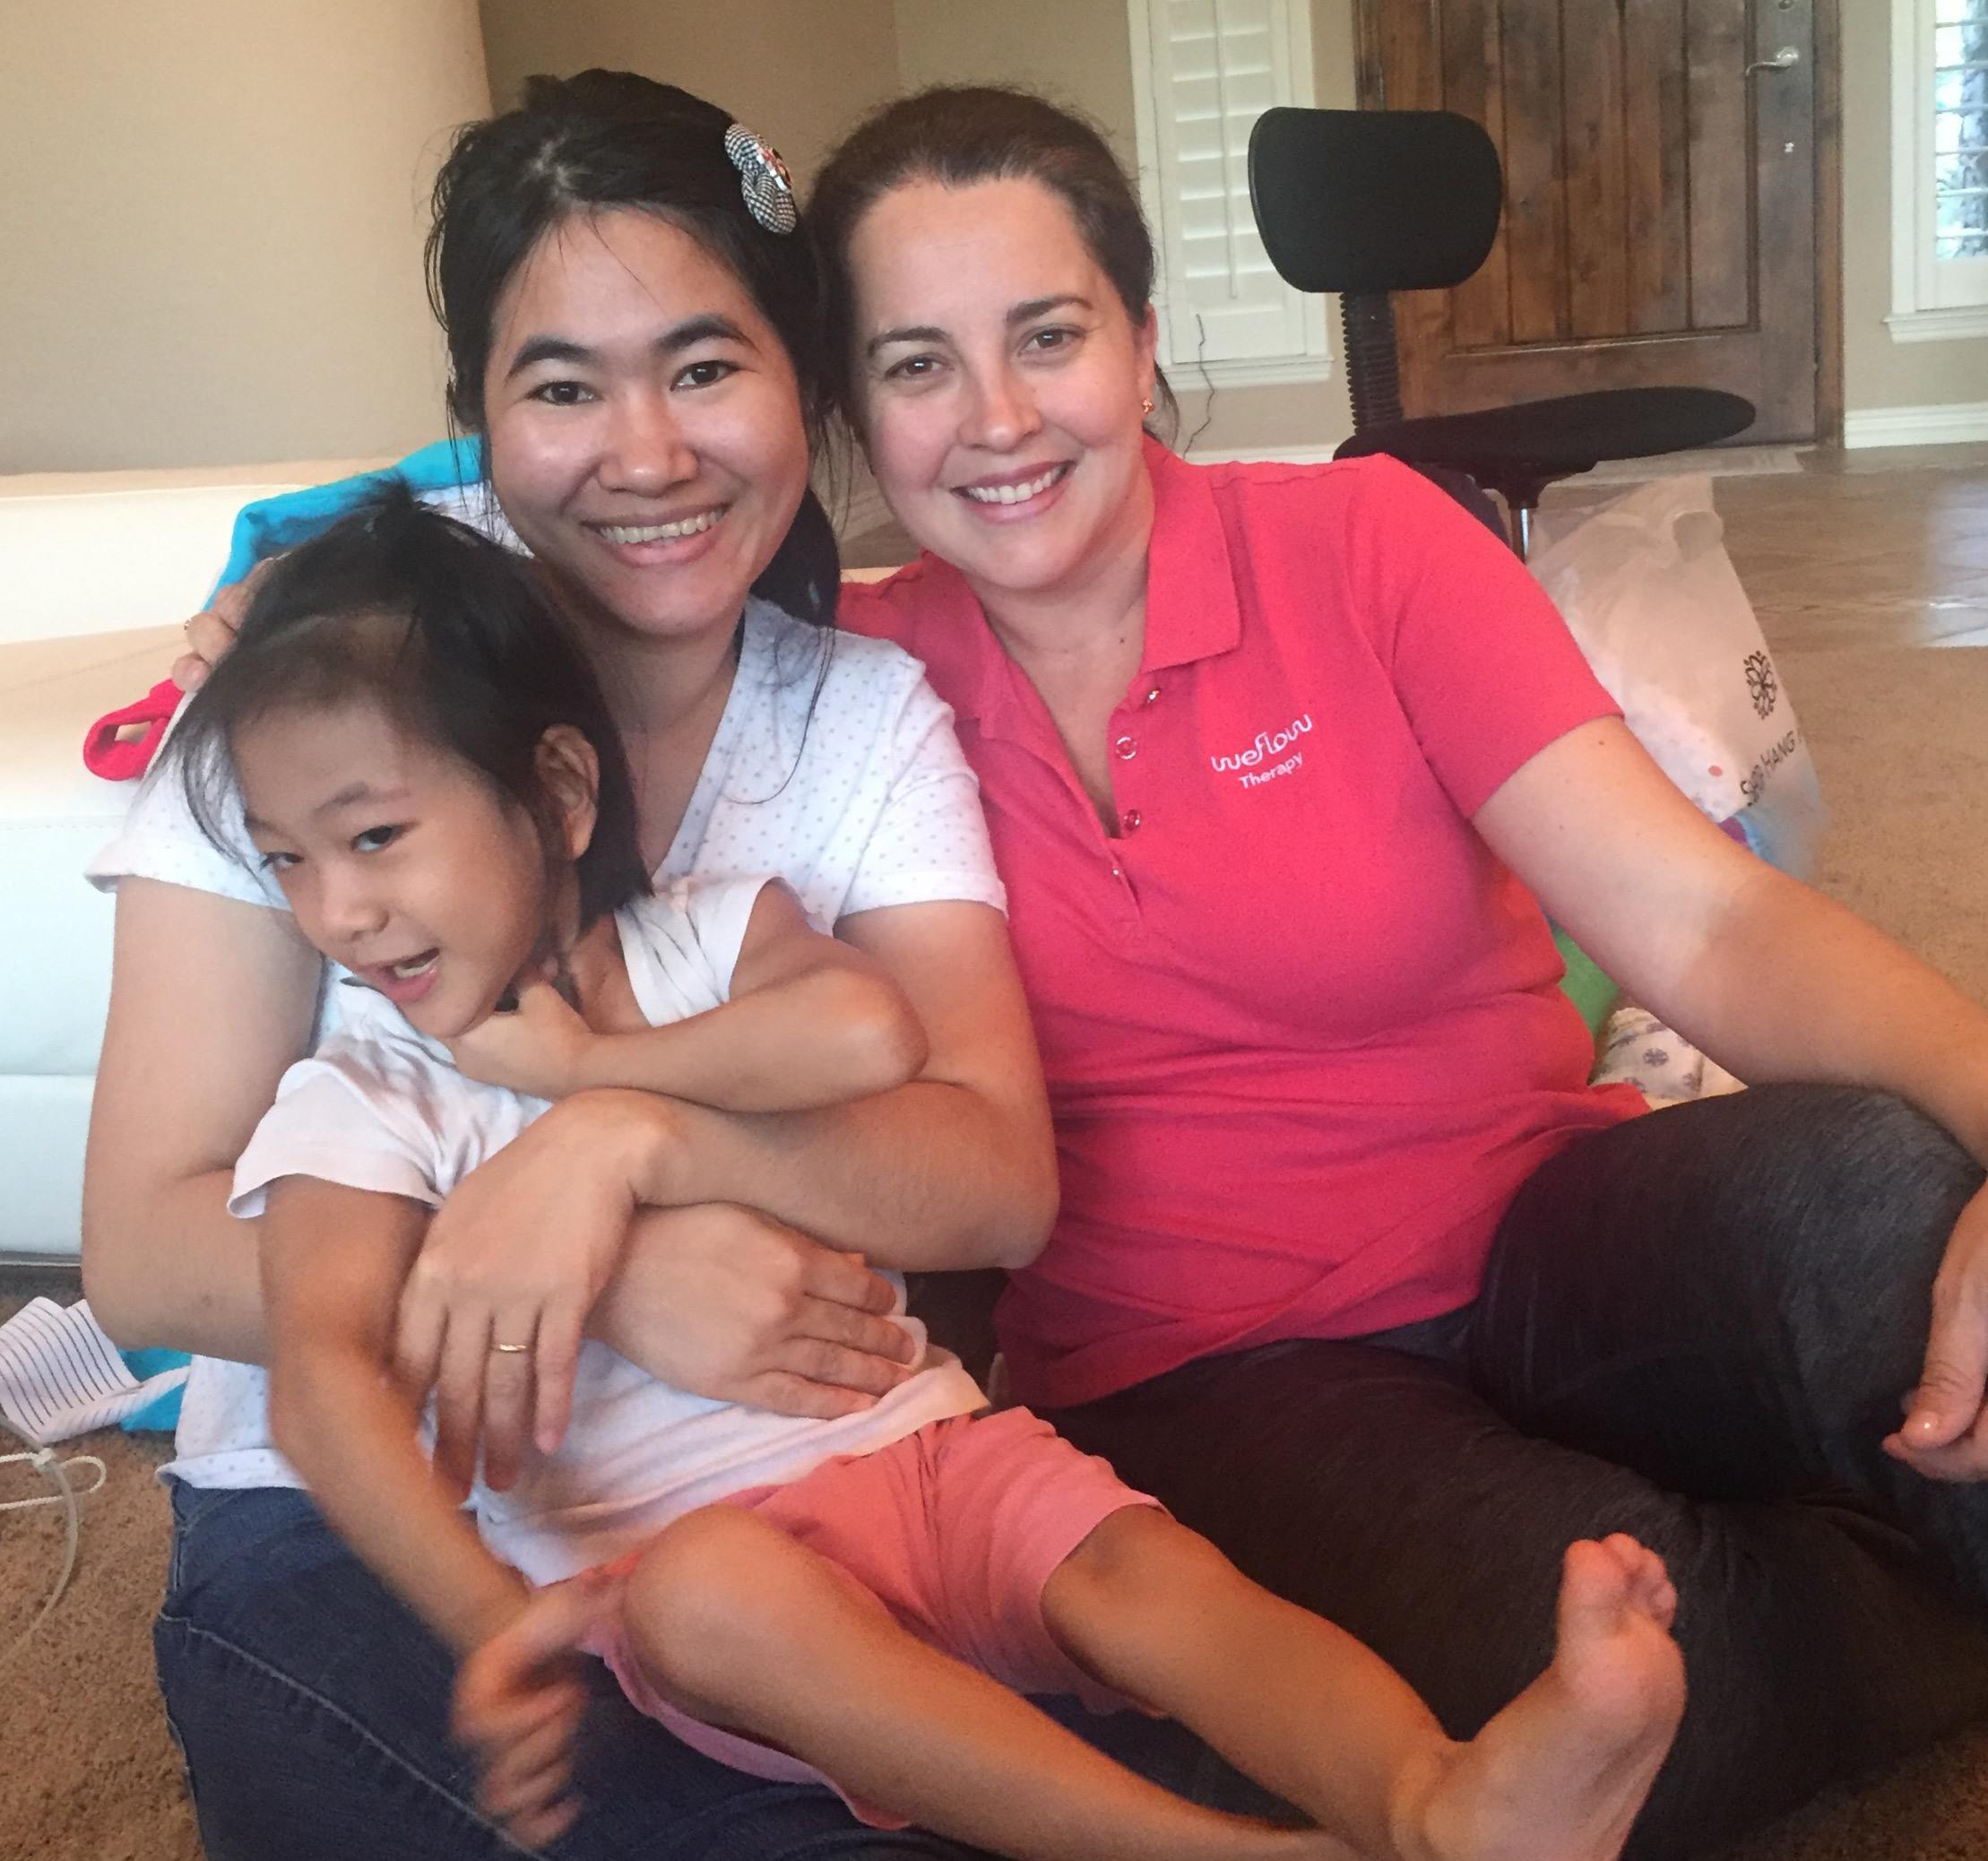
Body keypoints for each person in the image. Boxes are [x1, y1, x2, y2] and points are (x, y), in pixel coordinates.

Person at [804, 85, 1988, 1858]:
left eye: (1046, 335)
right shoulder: (838, 692)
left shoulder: (1360, 543)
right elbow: (512, 688)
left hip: (1545, 1231)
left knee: (1892, 1206)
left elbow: (1702, 922)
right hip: (1209, 1377)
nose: (996, 418)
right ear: (850, 411)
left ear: (1140, 338)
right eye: (916, 364)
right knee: (1616, 1700)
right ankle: (1865, 1577)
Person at [165, 487, 1683, 1861]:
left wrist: (591, 1085)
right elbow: (324, 1377)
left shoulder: (701, 936)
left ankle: (1439, 1801)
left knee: (1157, 1586)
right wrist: (489, 1618)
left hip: (922, 1445)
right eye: (286, 860)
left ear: (559, 794)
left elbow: (862, 1028)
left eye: (375, 837)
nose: (336, 914)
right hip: (686, 1566)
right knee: (709, 1600)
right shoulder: (361, 1094)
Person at [84, 74, 1111, 1861]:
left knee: (1135, 1738)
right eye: (562, 388)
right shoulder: (314, 693)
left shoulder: (857, 717)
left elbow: (990, 1175)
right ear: (478, 418)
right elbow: (143, 1248)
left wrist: (622, 1147)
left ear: (804, 383)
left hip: (785, 1480)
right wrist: (607, 1275)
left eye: (704, 367)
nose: (644, 457)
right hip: (360, 1523)